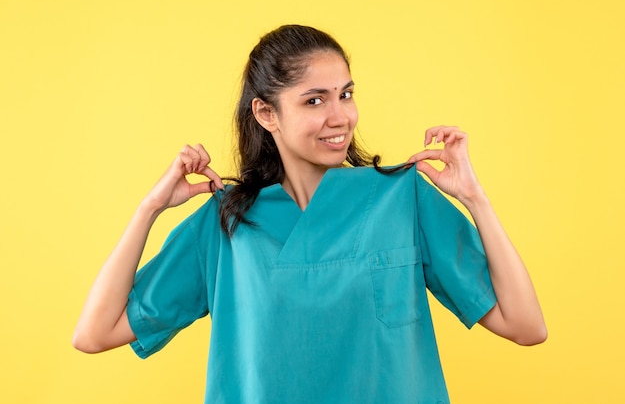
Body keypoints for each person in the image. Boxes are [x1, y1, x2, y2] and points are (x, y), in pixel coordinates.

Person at [73, 24, 547, 403]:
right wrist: (149, 208)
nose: (339, 116)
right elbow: (96, 333)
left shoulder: (401, 198)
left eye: (345, 93)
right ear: (266, 115)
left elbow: (526, 326)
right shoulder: (228, 223)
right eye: (314, 100)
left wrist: (476, 199)